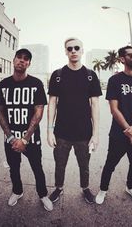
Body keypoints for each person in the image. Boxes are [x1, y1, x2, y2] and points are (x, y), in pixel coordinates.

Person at [0, 48, 53, 211]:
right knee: (14, 168)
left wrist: (25, 139)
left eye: (26, 59)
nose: (22, 60)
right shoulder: (3, 85)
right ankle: (17, 191)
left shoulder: (36, 84)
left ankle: (42, 194)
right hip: (11, 140)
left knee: (37, 168)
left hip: (32, 140)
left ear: (29, 63)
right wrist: (10, 137)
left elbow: (39, 112)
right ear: (13, 60)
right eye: (19, 57)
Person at [47, 37, 102, 204]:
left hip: (84, 133)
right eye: (69, 48)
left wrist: (96, 133)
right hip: (61, 133)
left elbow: (95, 105)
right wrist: (49, 130)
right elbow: (52, 103)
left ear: (82, 50)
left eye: (77, 48)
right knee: (59, 165)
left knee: (84, 166)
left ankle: (85, 188)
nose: (73, 51)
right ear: (65, 51)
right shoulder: (58, 75)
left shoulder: (91, 76)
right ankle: (58, 188)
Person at [95, 46, 132, 204]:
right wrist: (128, 130)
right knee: (110, 164)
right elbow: (114, 109)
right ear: (122, 59)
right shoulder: (115, 80)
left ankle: (130, 187)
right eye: (131, 55)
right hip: (119, 133)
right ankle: (103, 190)